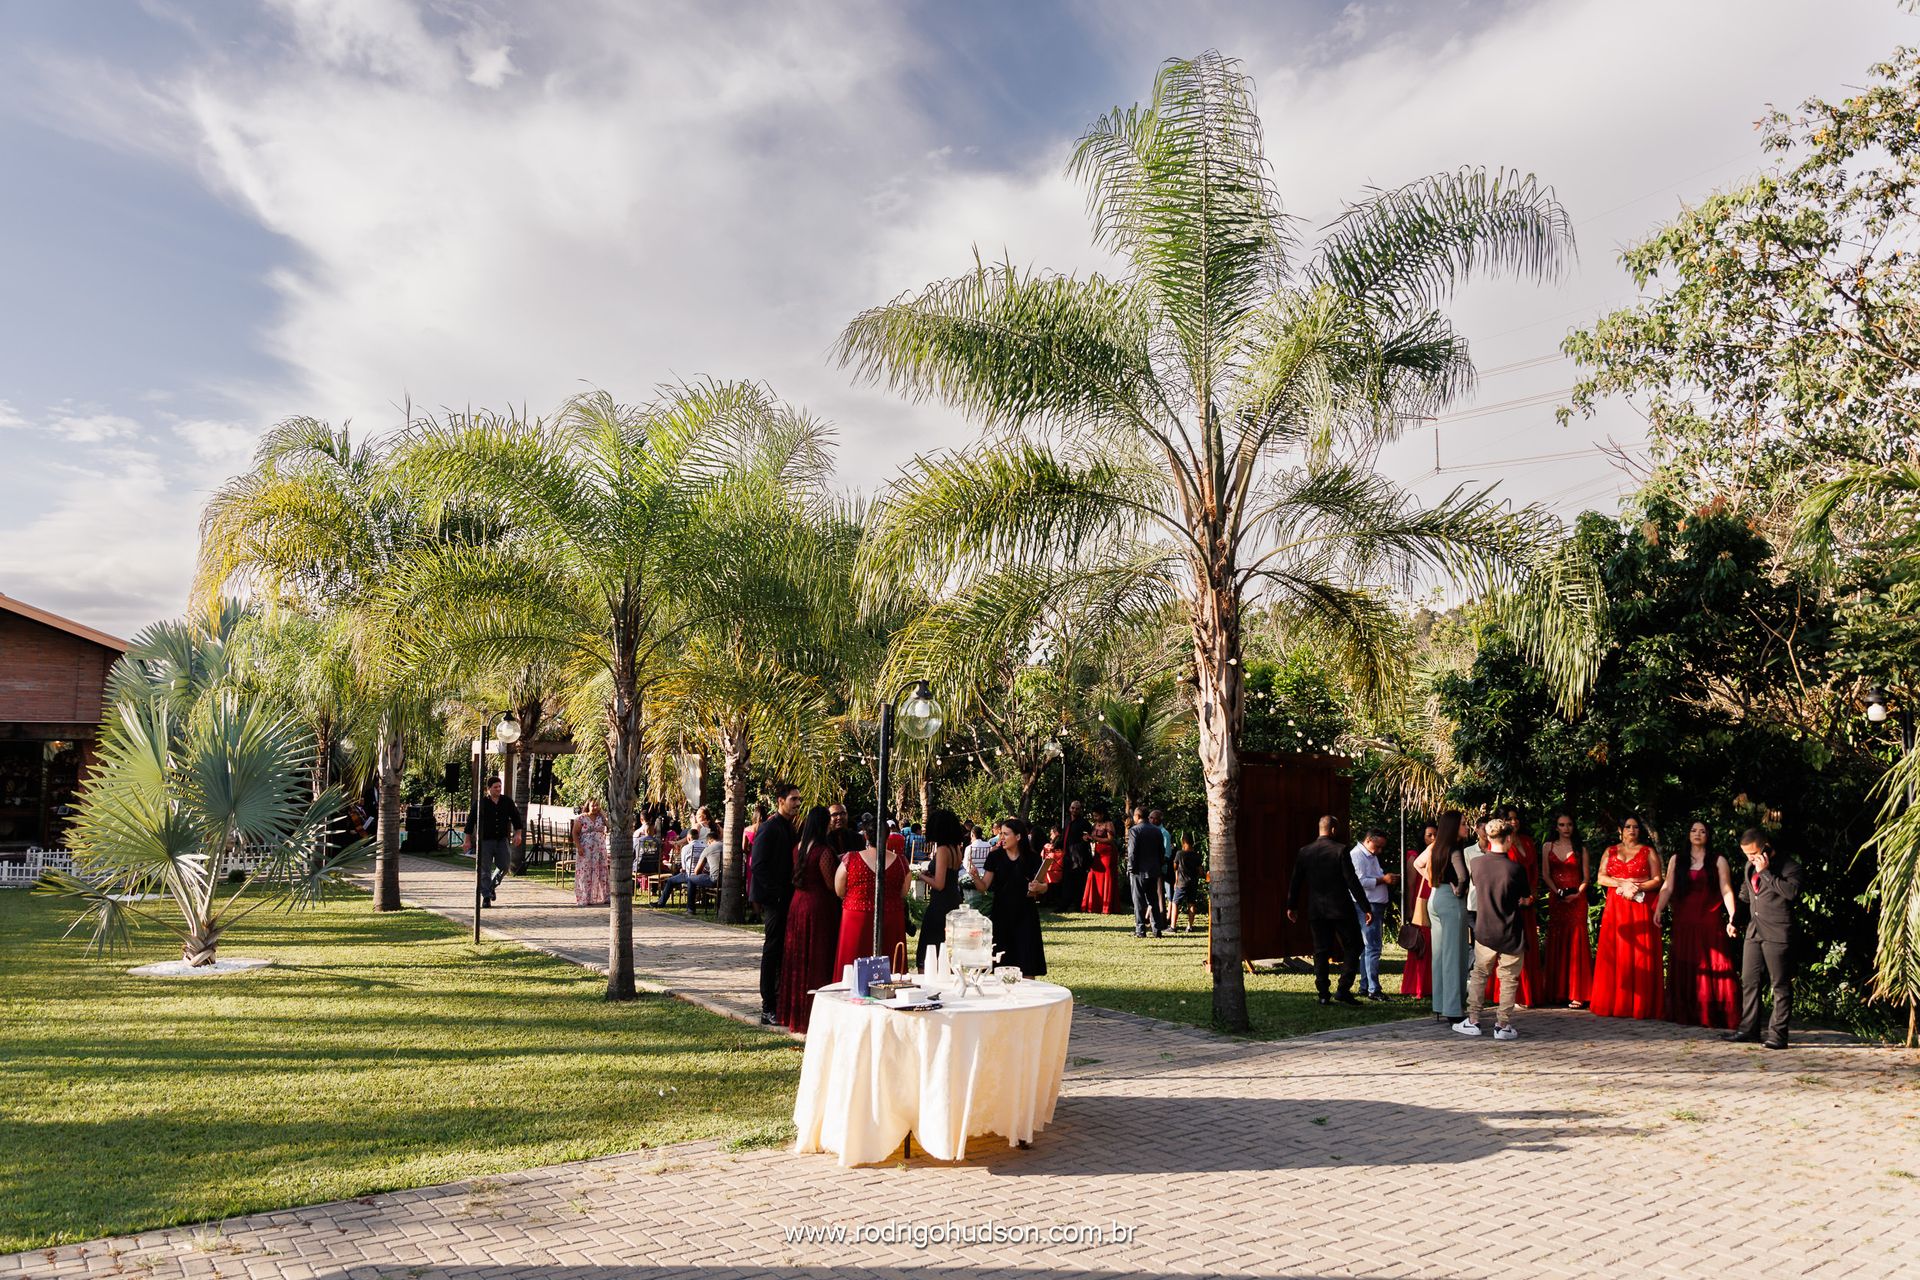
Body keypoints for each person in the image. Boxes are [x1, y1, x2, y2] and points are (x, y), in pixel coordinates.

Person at [1656, 820, 1740, 1029]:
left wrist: (1733, 916)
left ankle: (1714, 1013)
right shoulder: (1677, 859)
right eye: (1693, 830)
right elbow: (1668, 887)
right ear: (1688, 834)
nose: (1697, 834)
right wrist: (1658, 908)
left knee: (1714, 961)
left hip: (1709, 919)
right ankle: (1686, 1012)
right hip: (1684, 920)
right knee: (1687, 961)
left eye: (1702, 831)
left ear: (1708, 836)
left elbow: (1726, 889)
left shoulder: (1718, 860)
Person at [1456, 818, 1533, 1040]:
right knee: (1508, 978)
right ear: (1508, 838)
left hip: (1485, 927)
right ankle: (1502, 1025)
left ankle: (1473, 1019)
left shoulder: (1477, 864)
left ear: (1488, 837)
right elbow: (1525, 897)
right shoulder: (1515, 869)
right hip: (1510, 929)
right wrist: (1525, 901)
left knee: (1479, 974)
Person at [1728, 828, 1802, 1049]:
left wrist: (1766, 873)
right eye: (1746, 855)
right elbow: (1745, 896)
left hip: (1778, 932)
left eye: (1753, 853)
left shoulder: (1789, 866)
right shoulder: (1749, 866)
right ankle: (1748, 1030)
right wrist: (1735, 921)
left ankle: (1778, 1036)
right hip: (1754, 932)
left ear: (1765, 846)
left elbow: (1792, 893)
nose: (1750, 858)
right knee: (1749, 981)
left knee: (1779, 985)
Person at [1287, 815, 1372, 1006]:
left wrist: (1292, 906)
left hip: (1316, 909)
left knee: (1321, 950)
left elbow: (1296, 881)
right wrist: (1366, 907)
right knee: (1354, 945)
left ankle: (1323, 993)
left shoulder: (1305, 851)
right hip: (1341, 908)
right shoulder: (1341, 850)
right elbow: (1351, 881)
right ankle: (1343, 988)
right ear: (1333, 829)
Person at [1591, 814, 1666, 1020]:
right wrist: (1622, 883)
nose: (1632, 830)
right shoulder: (1610, 851)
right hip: (1616, 908)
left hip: (1640, 905)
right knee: (1616, 950)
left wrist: (1636, 887)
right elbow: (1601, 877)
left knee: (1640, 954)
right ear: (1620, 830)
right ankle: (1615, 1001)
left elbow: (1657, 879)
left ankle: (1641, 1004)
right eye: (1627, 827)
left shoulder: (1648, 851)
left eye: (1635, 827)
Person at [777, 806, 840, 1033]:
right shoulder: (823, 852)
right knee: (817, 957)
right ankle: (814, 1012)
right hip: (818, 906)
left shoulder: (798, 847)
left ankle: (794, 1012)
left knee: (798, 958)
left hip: (798, 904)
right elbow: (831, 884)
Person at [750, 782, 803, 1026]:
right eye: (793, 799)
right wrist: (775, 895)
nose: (797, 803)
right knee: (772, 950)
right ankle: (767, 1006)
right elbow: (758, 865)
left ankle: (779, 1001)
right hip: (775, 901)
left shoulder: (790, 827)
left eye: (799, 799)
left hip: (788, 898)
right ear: (781, 801)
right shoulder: (769, 828)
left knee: (783, 949)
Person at [835, 811, 908, 974]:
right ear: (888, 836)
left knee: (852, 965)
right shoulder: (901, 861)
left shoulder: (850, 858)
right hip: (890, 916)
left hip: (856, 916)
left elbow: (839, 890)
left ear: (866, 836)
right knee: (891, 964)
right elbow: (903, 892)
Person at [1416, 811, 1472, 1022]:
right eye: (1463, 824)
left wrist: (1434, 879)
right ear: (1454, 827)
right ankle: (1453, 1010)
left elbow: (1418, 864)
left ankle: (1440, 1004)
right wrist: (1460, 889)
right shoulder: (1454, 848)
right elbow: (1463, 877)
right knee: (1454, 955)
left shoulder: (1436, 846)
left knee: (1440, 955)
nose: (1467, 827)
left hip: (1435, 897)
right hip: (1450, 901)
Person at [976, 816, 1047, 976]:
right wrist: (975, 877)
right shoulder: (994, 857)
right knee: (1000, 963)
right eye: (1000, 833)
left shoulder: (1032, 858)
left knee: (1027, 962)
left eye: (1006, 834)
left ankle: (1030, 992)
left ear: (1018, 836)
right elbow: (983, 887)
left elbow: (1044, 887)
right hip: (1001, 915)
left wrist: (1038, 887)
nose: (1001, 837)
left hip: (1026, 915)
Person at [1540, 812, 1592, 1008]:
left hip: (1577, 900)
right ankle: (1557, 991)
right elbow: (1545, 874)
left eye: (1569, 824)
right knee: (1557, 939)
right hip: (1557, 899)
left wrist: (1577, 894)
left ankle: (1577, 993)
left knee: (1576, 941)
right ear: (1556, 827)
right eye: (1562, 825)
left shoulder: (1581, 848)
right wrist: (1558, 893)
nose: (1566, 828)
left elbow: (1586, 878)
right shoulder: (1547, 847)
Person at [914, 809, 967, 970]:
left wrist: (921, 876)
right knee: (947, 948)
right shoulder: (956, 849)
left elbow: (939, 884)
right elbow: (948, 876)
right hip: (954, 899)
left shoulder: (943, 850)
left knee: (929, 948)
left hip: (940, 903)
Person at [1348, 827, 1396, 999]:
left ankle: (1366, 985)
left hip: (1375, 904)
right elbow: (1359, 882)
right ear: (1368, 840)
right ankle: (1373, 989)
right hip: (1368, 905)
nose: (1379, 851)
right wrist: (1383, 880)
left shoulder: (1370, 855)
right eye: (1378, 846)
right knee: (1373, 947)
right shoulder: (1357, 855)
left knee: (1368, 948)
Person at [464, 774, 524, 907]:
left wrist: (518, 834)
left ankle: (491, 886)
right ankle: (486, 897)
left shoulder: (507, 801)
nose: (498, 789)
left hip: (502, 840)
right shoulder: (481, 803)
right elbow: (470, 822)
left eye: (499, 787)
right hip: (485, 841)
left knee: (504, 866)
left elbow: (516, 818)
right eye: (495, 787)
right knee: (484, 869)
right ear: (489, 789)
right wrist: (467, 840)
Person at [1399, 824, 1437, 999]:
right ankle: (1417, 985)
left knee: (1433, 944)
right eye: (1429, 835)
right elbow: (1410, 884)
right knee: (1420, 944)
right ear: (1422, 836)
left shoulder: (1437, 852)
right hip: (1420, 901)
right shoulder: (1414, 856)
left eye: (1436, 834)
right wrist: (1409, 907)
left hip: (1434, 899)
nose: (1433, 838)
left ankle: (1430, 985)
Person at [1126, 806, 1168, 938]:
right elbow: (1161, 851)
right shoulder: (1157, 831)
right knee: (1153, 900)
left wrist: (1130, 868)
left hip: (1138, 871)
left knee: (1138, 901)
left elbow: (1132, 852)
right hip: (1153, 870)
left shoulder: (1134, 830)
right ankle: (1157, 929)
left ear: (1137, 816)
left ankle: (1140, 929)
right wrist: (1158, 865)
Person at [652, 821, 714, 911]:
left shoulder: (686, 848)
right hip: (702, 874)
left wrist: (682, 869)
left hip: (689, 874)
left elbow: (684, 867)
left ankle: (661, 903)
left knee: (670, 881)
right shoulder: (705, 846)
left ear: (688, 838)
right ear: (698, 836)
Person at [570, 797, 610, 907]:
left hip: (600, 849)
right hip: (586, 849)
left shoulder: (601, 818)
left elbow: (609, 826)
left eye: (597, 805)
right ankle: (584, 897)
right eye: (593, 805)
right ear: (588, 805)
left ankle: (604, 896)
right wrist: (579, 847)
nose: (595, 807)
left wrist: (603, 814)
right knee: (585, 872)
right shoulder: (582, 818)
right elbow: (575, 833)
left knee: (602, 871)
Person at [1081, 807, 1117, 913]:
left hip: (1108, 852)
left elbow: (1110, 839)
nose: (1095, 817)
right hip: (1098, 852)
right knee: (1093, 875)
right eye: (1094, 815)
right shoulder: (1095, 824)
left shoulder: (1108, 824)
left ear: (1102, 815)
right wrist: (1088, 838)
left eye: (1096, 815)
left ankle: (1107, 906)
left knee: (1107, 875)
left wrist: (1094, 838)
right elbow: (1092, 837)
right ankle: (1094, 904)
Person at [1171, 834, 1203, 933]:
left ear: (1183, 842)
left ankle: (1173, 926)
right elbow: (1200, 871)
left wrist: (1176, 880)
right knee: (1191, 903)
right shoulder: (1196, 855)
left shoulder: (1179, 854)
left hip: (1181, 883)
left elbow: (1175, 867)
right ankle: (1189, 926)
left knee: (1175, 903)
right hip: (1193, 882)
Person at [1150, 808, 1175, 925]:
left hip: (1160, 868)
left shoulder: (1164, 833)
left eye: (1152, 818)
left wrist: (1158, 864)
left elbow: (1167, 854)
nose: (1150, 820)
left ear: (1158, 819)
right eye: (1149, 817)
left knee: (1161, 894)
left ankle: (1162, 920)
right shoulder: (1151, 831)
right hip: (1151, 867)